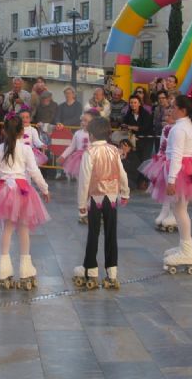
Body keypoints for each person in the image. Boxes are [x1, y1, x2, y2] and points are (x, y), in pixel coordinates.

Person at [0, 113, 50, 290]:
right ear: (21, 131)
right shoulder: (25, 149)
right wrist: (45, 189)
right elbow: (34, 172)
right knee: (23, 229)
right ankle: (25, 269)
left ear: (4, 131)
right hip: (23, 190)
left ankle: (4, 269)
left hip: (3, 190)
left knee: (7, 229)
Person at [150, 96, 192, 274]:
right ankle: (184, 246)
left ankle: (187, 250)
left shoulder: (179, 129)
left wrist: (171, 180)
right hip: (187, 167)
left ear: (183, 110)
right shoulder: (187, 126)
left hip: (181, 169)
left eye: (174, 107)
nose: (171, 110)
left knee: (179, 210)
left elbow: (176, 155)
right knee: (180, 209)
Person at [72, 117, 130, 290]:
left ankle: (91, 269)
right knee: (111, 234)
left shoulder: (89, 153)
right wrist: (125, 192)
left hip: (95, 199)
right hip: (112, 198)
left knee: (93, 234)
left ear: (91, 134)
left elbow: (84, 181)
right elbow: (122, 173)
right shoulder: (114, 151)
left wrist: (82, 206)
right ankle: (112, 273)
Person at [141, 106, 177, 232]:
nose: (167, 118)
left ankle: (174, 213)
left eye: (170, 115)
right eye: (166, 115)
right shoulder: (166, 128)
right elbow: (162, 143)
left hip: (174, 160)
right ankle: (165, 209)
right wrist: (159, 155)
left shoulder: (177, 129)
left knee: (173, 189)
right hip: (164, 158)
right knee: (163, 186)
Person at [122, 95, 154, 189]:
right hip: (135, 142)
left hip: (147, 141)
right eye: (131, 102)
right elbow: (124, 125)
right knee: (137, 161)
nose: (133, 104)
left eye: (135, 102)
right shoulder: (128, 114)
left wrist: (130, 127)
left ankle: (145, 181)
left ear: (139, 103)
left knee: (145, 160)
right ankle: (138, 182)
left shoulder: (146, 114)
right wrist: (127, 127)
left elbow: (144, 128)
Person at [57, 110, 96, 185]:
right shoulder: (77, 133)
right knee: (82, 181)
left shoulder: (94, 134)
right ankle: (82, 194)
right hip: (79, 159)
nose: (83, 122)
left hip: (91, 158)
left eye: (86, 121)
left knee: (91, 179)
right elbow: (71, 147)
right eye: (82, 120)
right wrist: (63, 156)